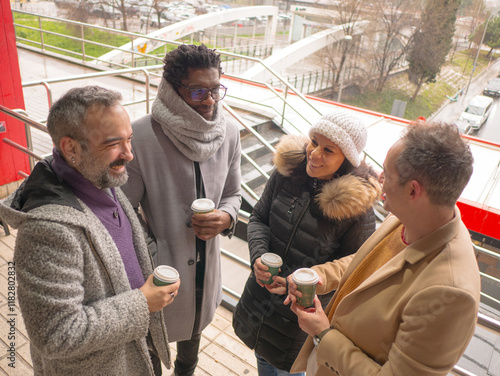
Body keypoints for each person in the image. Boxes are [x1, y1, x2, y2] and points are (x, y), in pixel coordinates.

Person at [0, 86, 180, 375]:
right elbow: (55, 334)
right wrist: (141, 303)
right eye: (114, 144)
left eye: (129, 140)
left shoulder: (100, 177)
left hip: (136, 354)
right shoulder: (46, 231)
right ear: (71, 148)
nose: (129, 155)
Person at [286, 121, 480, 376]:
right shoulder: (411, 217)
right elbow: (369, 262)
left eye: (386, 174)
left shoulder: (451, 293)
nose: (379, 178)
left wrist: (323, 335)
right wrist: (322, 276)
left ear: (413, 190)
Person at [122, 44, 241, 376]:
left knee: (191, 351)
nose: (209, 100)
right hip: (158, 274)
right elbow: (125, 211)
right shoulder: (142, 135)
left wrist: (227, 216)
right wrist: (154, 250)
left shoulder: (230, 131)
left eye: (216, 89)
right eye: (198, 91)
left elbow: (234, 193)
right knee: (151, 353)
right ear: (173, 90)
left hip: (206, 271)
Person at [232, 111, 382, 375]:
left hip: (299, 322)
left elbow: (355, 268)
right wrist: (258, 257)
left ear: (346, 158)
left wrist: (304, 284)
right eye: (313, 141)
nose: (314, 153)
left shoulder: (356, 210)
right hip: (259, 303)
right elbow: (258, 219)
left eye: (328, 149)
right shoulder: (286, 175)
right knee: (264, 362)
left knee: (290, 370)